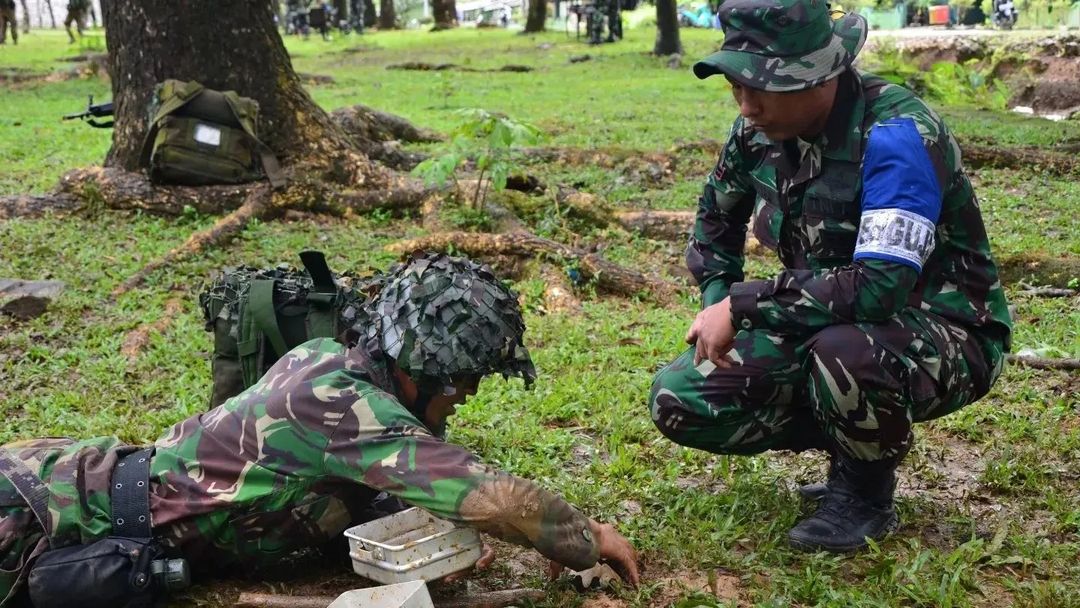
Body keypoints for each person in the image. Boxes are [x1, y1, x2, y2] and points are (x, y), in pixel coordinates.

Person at [0, 252, 640, 606]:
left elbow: (320, 490)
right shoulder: (350, 410)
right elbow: (490, 495)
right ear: (423, 368)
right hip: (44, 520)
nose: (466, 395)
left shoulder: (326, 359)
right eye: (463, 378)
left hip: (70, 484)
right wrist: (586, 537)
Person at [649, 0, 1011, 553]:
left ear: (820, 76)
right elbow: (715, 220)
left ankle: (864, 491)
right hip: (819, 320)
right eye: (735, 87)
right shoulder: (756, 133)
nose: (746, 106)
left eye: (761, 88)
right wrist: (717, 298)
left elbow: (878, 287)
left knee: (845, 354)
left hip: (943, 332)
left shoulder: (898, 135)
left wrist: (743, 306)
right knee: (682, 398)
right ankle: (854, 431)